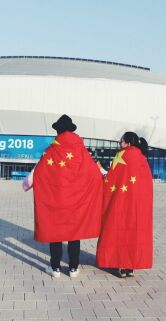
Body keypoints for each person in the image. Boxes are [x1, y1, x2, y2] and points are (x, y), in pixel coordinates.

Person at [31, 114, 103, 278]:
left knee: (54, 233)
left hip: (55, 200)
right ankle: (73, 268)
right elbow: (93, 173)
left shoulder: (53, 149)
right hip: (76, 201)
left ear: (58, 131)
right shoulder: (80, 149)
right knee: (74, 234)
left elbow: (40, 172)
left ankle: (55, 268)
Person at [96, 131, 153, 278]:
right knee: (133, 232)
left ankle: (120, 265)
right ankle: (130, 266)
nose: (119, 145)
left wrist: (99, 169)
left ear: (128, 143)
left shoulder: (121, 155)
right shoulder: (142, 157)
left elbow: (109, 179)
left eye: (121, 142)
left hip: (121, 202)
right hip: (137, 205)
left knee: (119, 230)